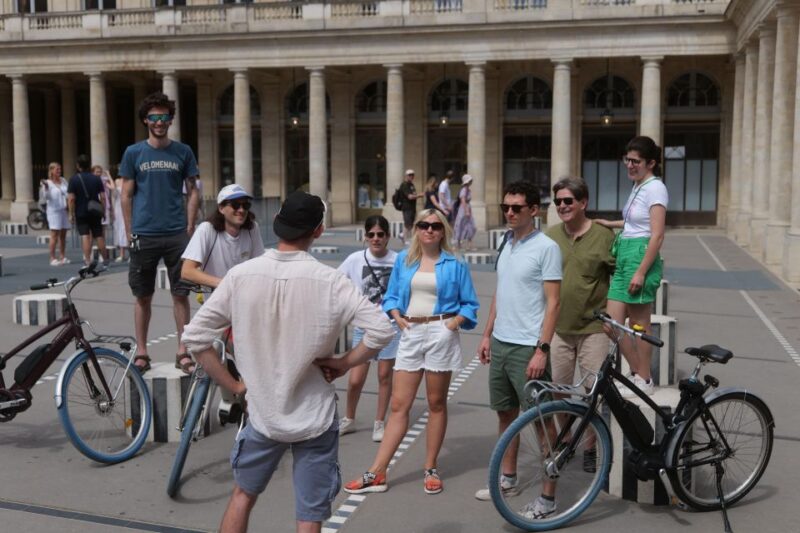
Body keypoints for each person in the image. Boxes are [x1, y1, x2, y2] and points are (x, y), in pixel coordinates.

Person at [182, 190, 395, 533]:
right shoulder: (331, 281)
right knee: (309, 515)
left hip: (262, 412)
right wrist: (344, 362)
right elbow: (381, 330)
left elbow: (194, 338)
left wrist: (235, 386)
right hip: (314, 414)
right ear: (318, 231)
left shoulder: (241, 276)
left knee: (242, 496)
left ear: (278, 226)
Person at [341, 208, 479, 496]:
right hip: (411, 332)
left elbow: (470, 304)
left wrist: (452, 323)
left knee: (436, 403)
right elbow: (391, 296)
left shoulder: (455, 264)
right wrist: (397, 315)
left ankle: (430, 468)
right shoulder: (404, 260)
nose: (429, 230)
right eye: (423, 225)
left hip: (441, 332)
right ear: (416, 229)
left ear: (443, 231)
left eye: (435, 226)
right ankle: (377, 472)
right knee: (398, 405)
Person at [475, 180, 561, 518]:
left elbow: (553, 304)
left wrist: (542, 349)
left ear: (533, 211)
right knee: (506, 414)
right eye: (505, 207)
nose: (509, 213)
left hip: (528, 347)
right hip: (502, 343)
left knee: (542, 420)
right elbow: (500, 292)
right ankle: (508, 477)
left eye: (516, 208)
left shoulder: (546, 247)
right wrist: (486, 335)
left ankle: (548, 497)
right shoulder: (505, 242)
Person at [119, 92, 200, 375]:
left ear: (170, 119)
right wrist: (129, 231)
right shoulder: (134, 153)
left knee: (181, 294)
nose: (159, 122)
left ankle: (183, 349)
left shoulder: (183, 152)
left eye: (164, 116)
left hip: (177, 232)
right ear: (145, 120)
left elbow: (193, 190)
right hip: (145, 233)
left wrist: (189, 226)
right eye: (153, 117)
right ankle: (142, 351)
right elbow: (126, 194)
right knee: (143, 295)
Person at [545, 176, 615, 473]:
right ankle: (567, 440)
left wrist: (613, 314)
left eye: (568, 201)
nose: (562, 206)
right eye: (558, 201)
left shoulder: (603, 236)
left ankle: (589, 446)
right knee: (558, 392)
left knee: (591, 392)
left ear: (583, 202)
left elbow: (619, 276)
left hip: (593, 330)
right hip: (559, 329)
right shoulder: (549, 236)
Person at [595, 136, 668, 397]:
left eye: (635, 161)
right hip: (625, 252)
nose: (630, 165)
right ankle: (638, 372)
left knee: (639, 324)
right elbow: (635, 224)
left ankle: (644, 377)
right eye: (628, 160)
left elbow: (656, 235)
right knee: (611, 324)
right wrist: (609, 223)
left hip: (640, 257)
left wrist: (640, 271)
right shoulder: (639, 186)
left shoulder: (655, 188)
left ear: (650, 163)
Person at [337, 215, 401, 442]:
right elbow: (337, 282)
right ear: (365, 237)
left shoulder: (397, 260)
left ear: (388, 237)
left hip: (390, 326)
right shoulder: (355, 259)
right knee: (355, 379)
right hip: (363, 326)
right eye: (371, 235)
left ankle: (379, 422)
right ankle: (349, 418)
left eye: (380, 234)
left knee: (385, 376)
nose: (376, 239)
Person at [180, 183, 265, 290]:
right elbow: (187, 271)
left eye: (245, 205)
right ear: (221, 208)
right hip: (216, 299)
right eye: (235, 205)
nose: (241, 210)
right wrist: (225, 284)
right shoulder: (207, 229)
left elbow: (260, 265)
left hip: (245, 297)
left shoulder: (252, 228)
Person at [67, 154, 108, 266]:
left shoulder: (73, 179)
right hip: (95, 211)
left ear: (78, 166)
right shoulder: (96, 178)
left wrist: (71, 214)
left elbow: (71, 199)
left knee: (85, 235)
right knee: (99, 235)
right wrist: (103, 211)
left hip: (81, 211)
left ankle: (87, 260)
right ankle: (105, 260)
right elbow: (103, 197)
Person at [39, 162, 70, 266]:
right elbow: (46, 197)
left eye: (60, 169)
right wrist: (46, 187)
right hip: (54, 211)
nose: (59, 171)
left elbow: (68, 193)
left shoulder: (64, 180)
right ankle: (52, 258)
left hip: (64, 210)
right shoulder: (48, 183)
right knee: (54, 234)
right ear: (51, 171)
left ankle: (62, 256)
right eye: (57, 169)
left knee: (63, 235)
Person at [453, 174, 477, 250]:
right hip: (464, 209)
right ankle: (459, 244)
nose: (471, 182)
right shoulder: (464, 190)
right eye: (470, 180)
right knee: (461, 225)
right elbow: (463, 200)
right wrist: (466, 210)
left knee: (469, 226)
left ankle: (468, 244)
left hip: (466, 208)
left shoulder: (467, 189)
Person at [399, 169, 423, 245]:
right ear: (406, 176)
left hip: (412, 207)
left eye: (412, 175)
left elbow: (413, 194)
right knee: (408, 223)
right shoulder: (404, 185)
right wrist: (419, 195)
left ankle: (402, 235)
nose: (411, 176)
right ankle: (406, 238)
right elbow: (409, 196)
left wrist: (416, 195)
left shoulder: (411, 185)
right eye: (410, 175)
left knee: (411, 223)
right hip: (407, 207)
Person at [93, 165, 114, 243]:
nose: (99, 173)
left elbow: (112, 187)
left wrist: (108, 175)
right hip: (94, 205)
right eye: (97, 172)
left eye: (100, 172)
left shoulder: (104, 181)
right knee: (94, 228)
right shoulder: (91, 181)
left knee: (103, 229)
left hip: (104, 206)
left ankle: (102, 246)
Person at [112, 173, 128, 262]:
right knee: (120, 230)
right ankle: (122, 254)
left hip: (129, 207)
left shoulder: (131, 180)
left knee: (132, 232)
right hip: (119, 208)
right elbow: (113, 195)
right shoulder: (117, 181)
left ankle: (133, 252)